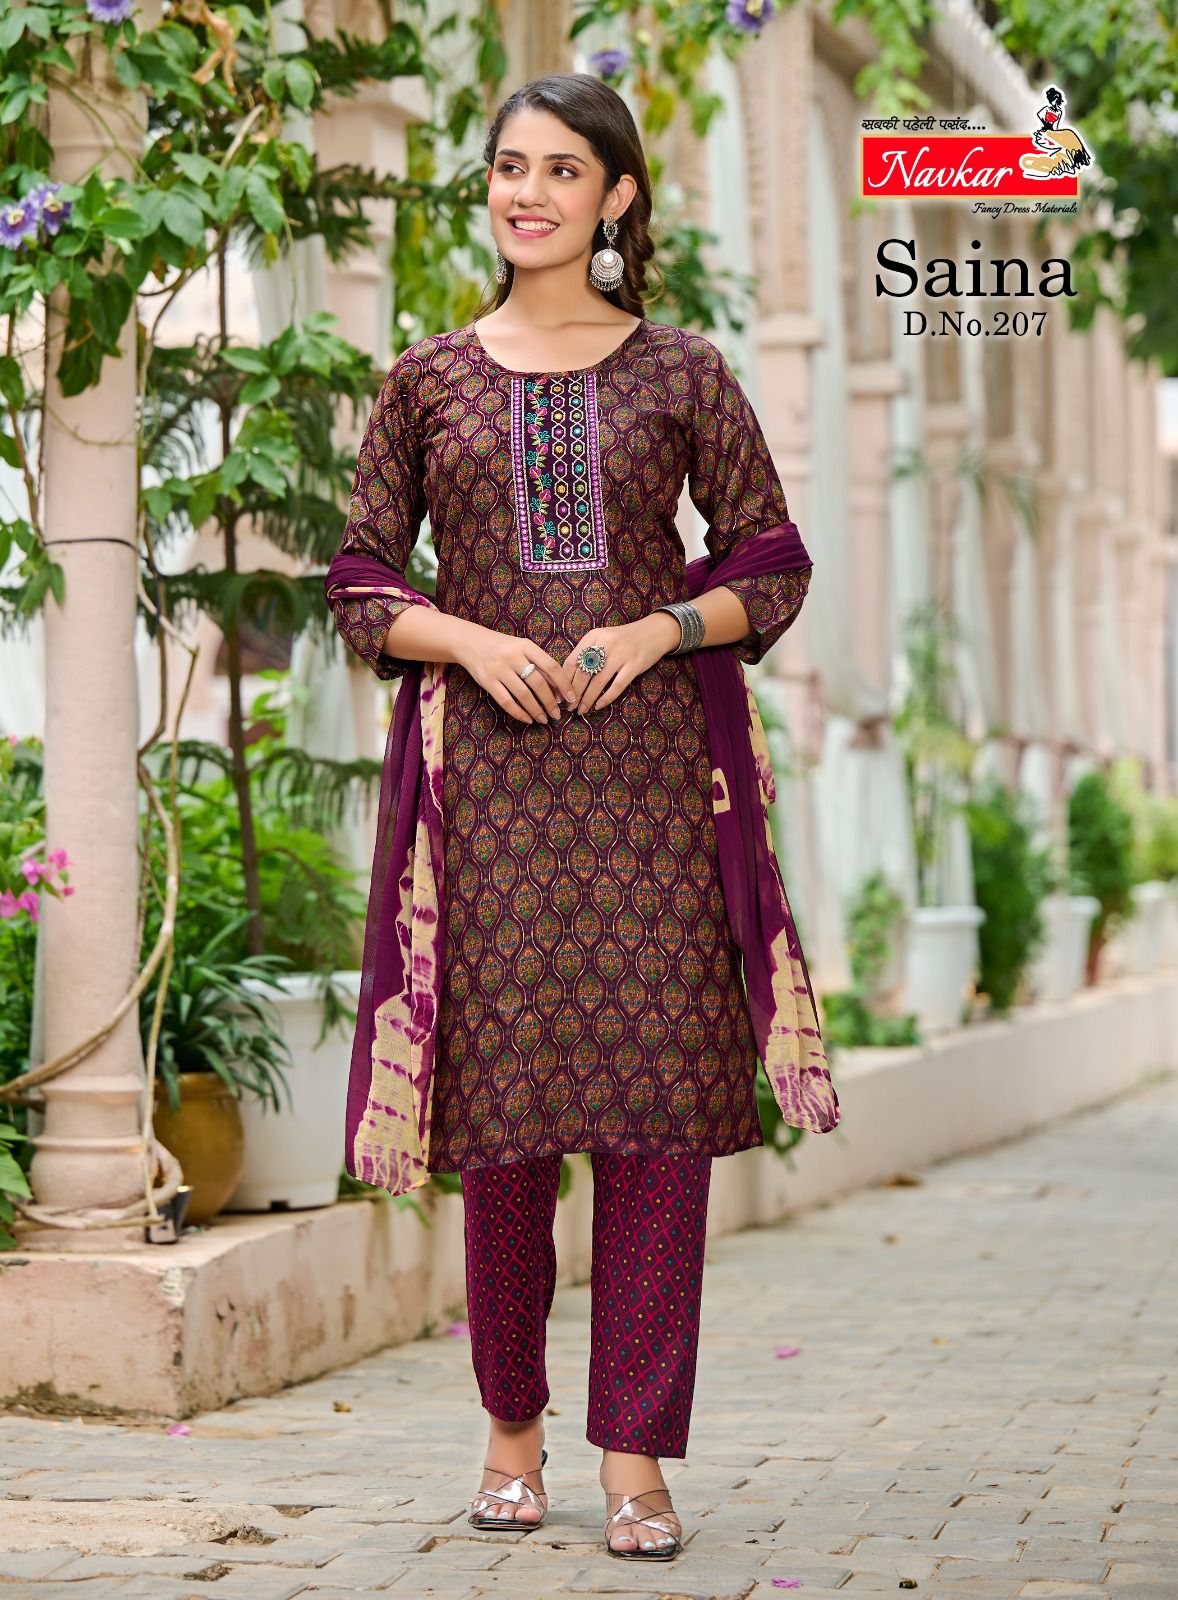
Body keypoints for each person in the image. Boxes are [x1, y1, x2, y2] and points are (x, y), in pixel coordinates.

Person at [325, 72, 839, 1562]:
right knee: (502, 1129)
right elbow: (360, 580)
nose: (527, 192)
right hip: (487, 797)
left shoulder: (683, 372)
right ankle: (510, 1439)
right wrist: (470, 641)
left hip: (652, 793)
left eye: (562, 169)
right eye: (508, 167)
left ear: (616, 196)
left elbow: (774, 563)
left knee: (656, 1130)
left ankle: (635, 1458)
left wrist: (664, 628)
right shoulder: (428, 380)